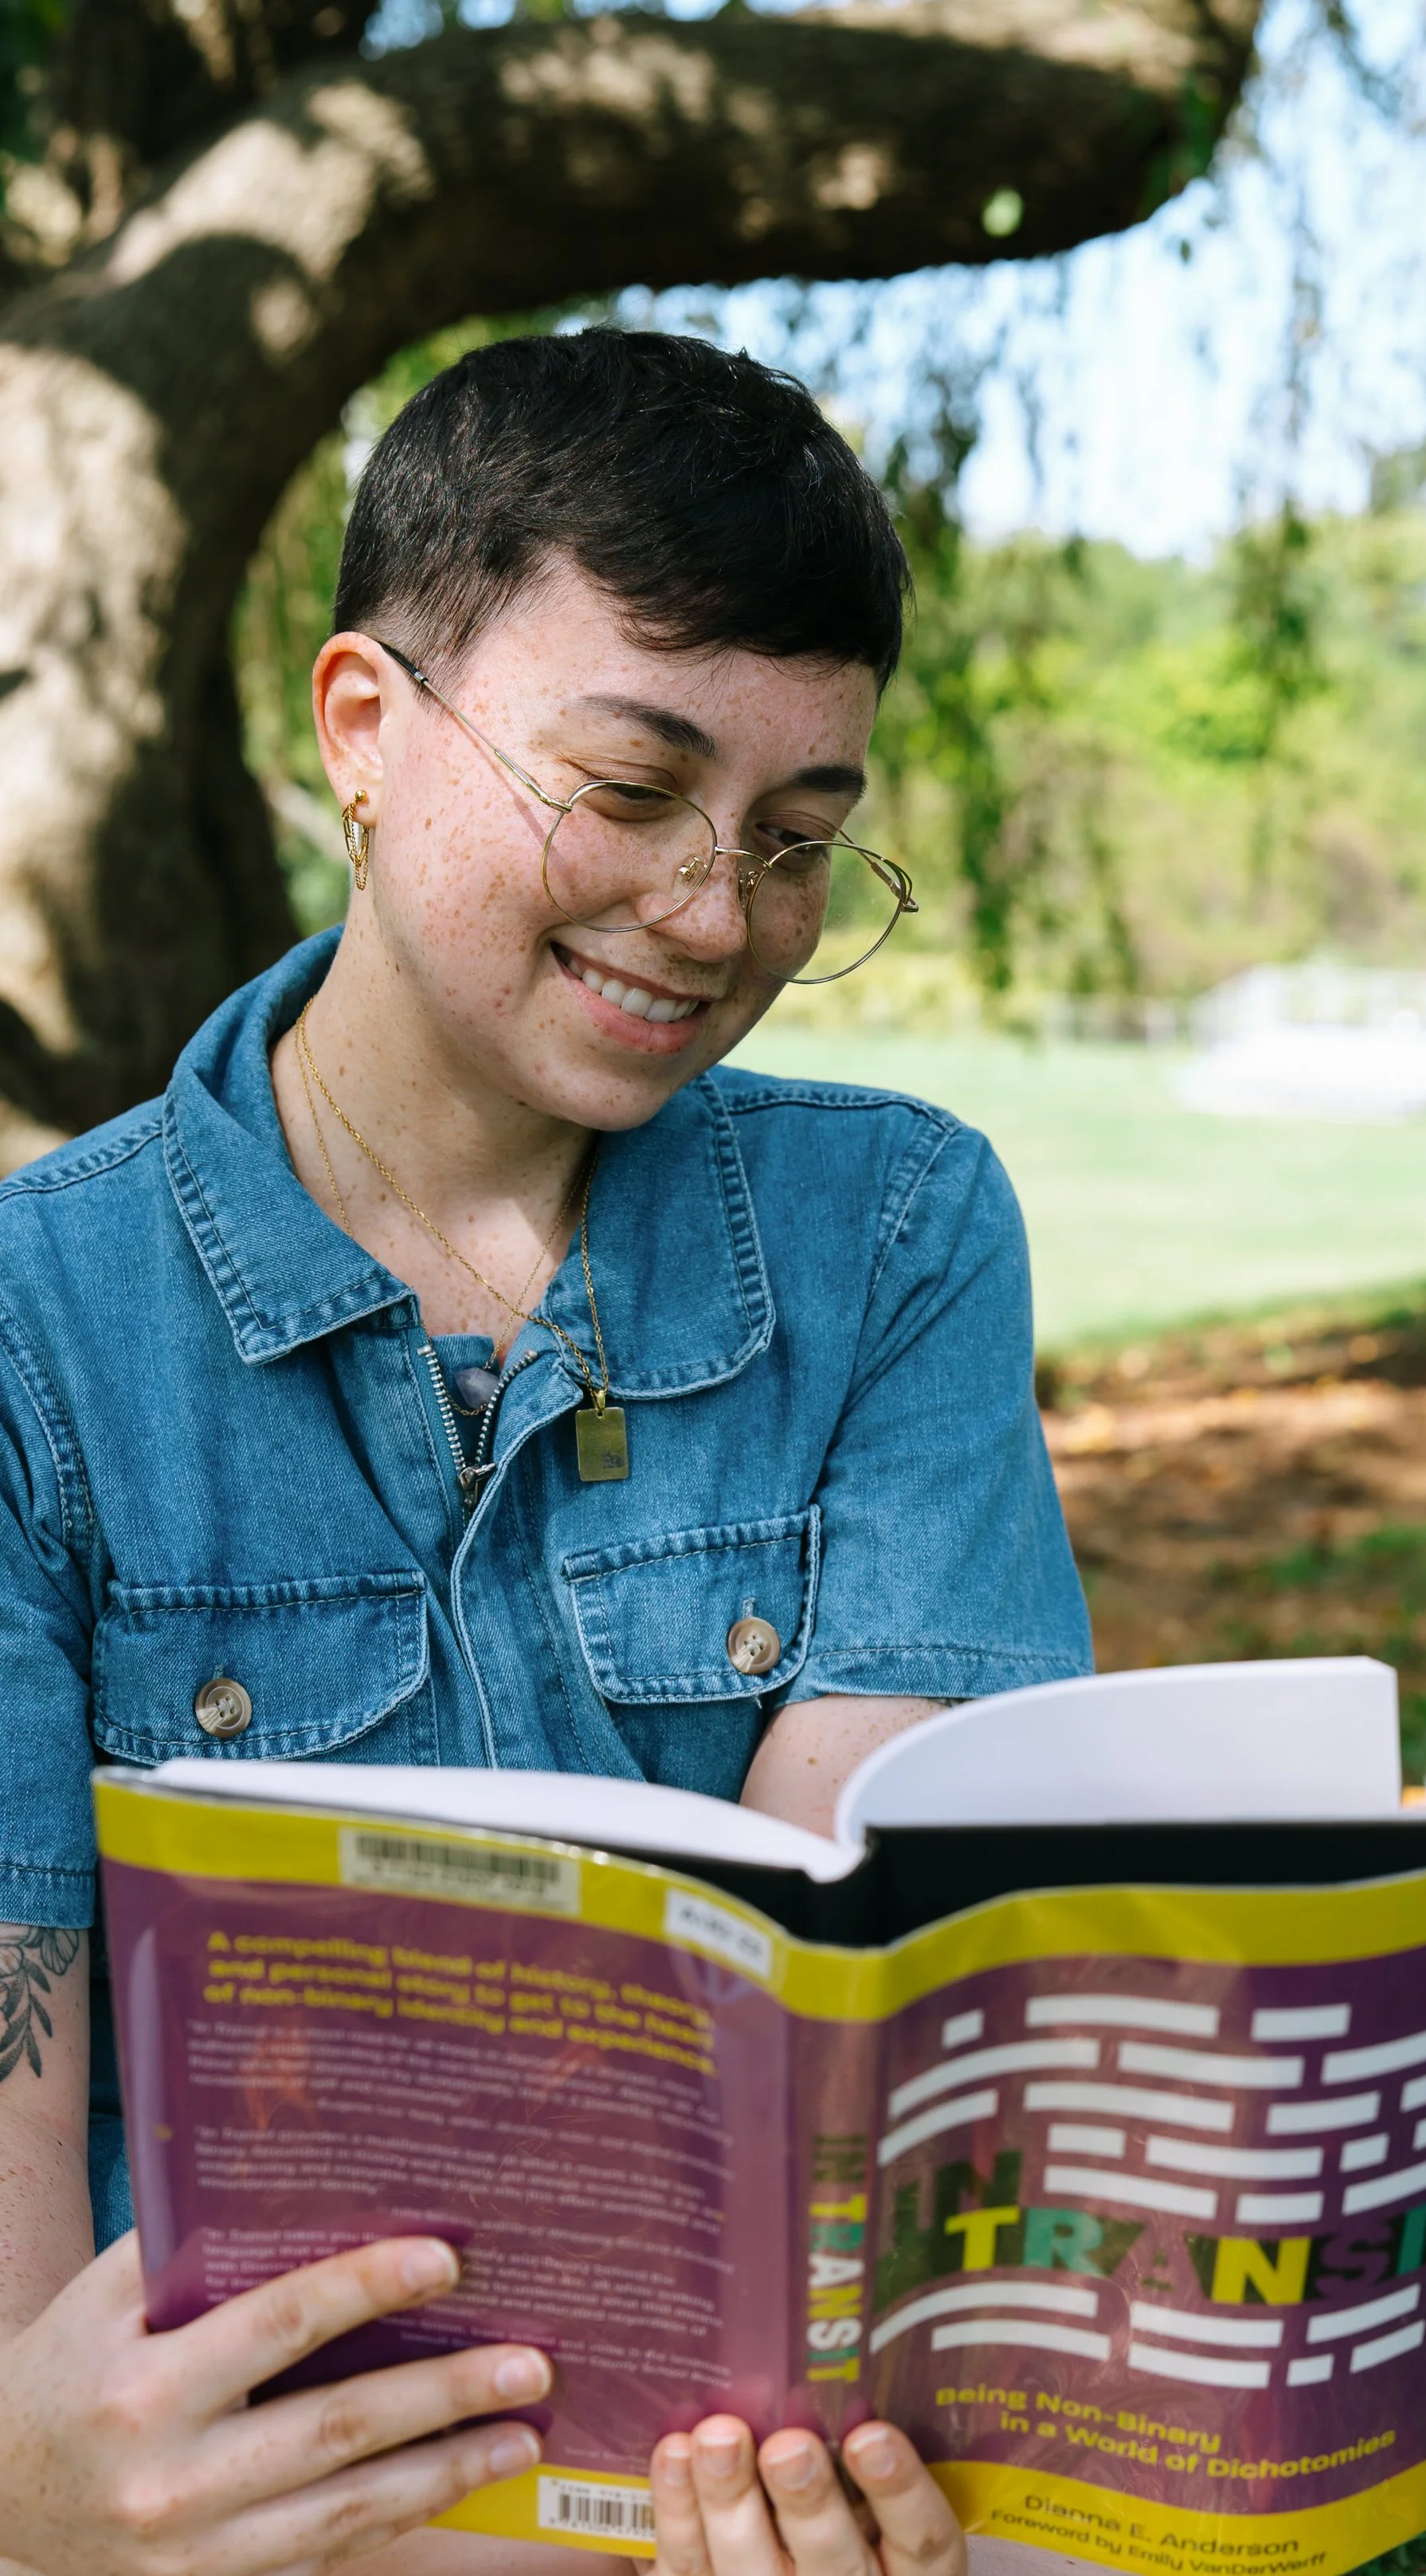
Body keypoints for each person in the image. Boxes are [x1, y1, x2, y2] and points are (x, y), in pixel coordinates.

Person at [0, 330, 1091, 2574]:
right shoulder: (33, 1327)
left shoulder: (893, 1234)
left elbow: (840, 2031)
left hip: (748, 2479)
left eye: (801, 843)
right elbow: (23, 2320)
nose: (716, 919)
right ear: (364, 733)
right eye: (625, 787)